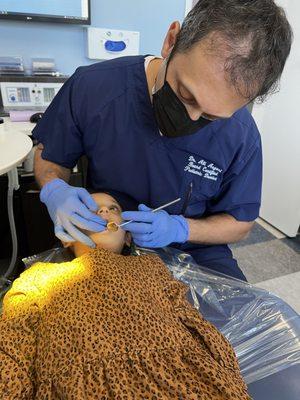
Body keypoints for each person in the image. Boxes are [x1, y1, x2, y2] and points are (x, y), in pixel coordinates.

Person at [33, 0, 293, 281]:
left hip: (195, 256)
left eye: (212, 116)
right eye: (186, 94)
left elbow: (240, 223)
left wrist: (181, 229)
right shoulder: (94, 87)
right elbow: (51, 158)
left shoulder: (241, 134)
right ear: (171, 41)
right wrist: (55, 190)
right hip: (108, 247)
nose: (192, 118)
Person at [0, 192, 251, 399]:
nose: (104, 212)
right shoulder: (40, 277)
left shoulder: (150, 266)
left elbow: (193, 322)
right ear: (66, 235)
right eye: (90, 210)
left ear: (128, 234)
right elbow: (13, 343)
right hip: (82, 386)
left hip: (180, 376)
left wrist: (226, 377)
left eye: (113, 209)